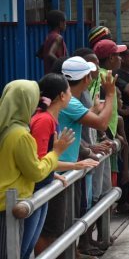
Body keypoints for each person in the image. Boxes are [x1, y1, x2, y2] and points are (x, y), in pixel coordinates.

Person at [24, 74, 99, 259]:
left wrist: (71, 166)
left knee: (49, 230)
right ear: (61, 95)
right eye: (68, 91)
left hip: (45, 181)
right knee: (42, 235)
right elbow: (40, 160)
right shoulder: (44, 120)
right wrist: (67, 164)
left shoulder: (50, 118)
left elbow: (44, 161)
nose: (71, 96)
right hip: (39, 187)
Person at [0, 80, 75, 259]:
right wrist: (56, 152)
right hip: (10, 204)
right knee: (17, 253)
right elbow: (35, 171)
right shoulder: (20, 135)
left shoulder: (6, 128)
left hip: (8, 202)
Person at [39, 10, 68, 75]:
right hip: (57, 76)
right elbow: (50, 54)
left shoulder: (49, 37)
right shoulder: (58, 37)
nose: (66, 25)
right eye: (65, 22)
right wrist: (62, 64)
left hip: (48, 74)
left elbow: (40, 54)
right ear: (60, 23)